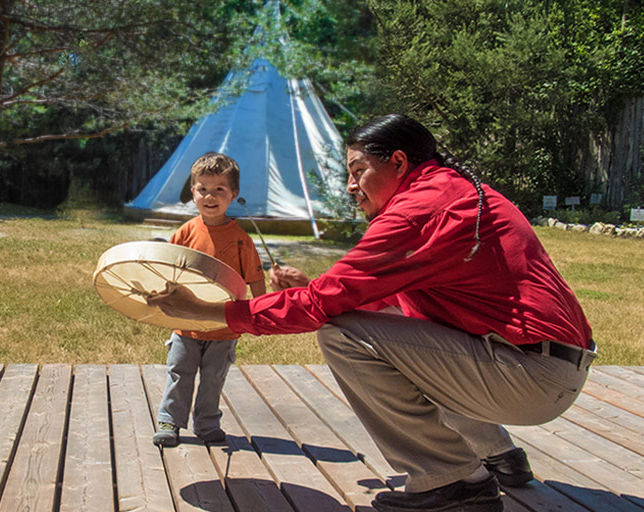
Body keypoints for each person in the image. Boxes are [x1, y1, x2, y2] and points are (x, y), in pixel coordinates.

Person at [147, 114, 595, 512]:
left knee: (343, 335)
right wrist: (310, 288)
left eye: (358, 171)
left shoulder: (418, 211)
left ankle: (453, 482)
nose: (349, 185)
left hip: (531, 377)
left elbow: (326, 308)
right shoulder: (448, 192)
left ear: (398, 163)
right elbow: (377, 299)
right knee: (401, 338)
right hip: (546, 365)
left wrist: (216, 312)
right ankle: (498, 455)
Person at [151, 152, 266, 447]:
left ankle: (207, 423)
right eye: (202, 188)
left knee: (214, 376)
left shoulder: (241, 238)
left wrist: (259, 311)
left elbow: (254, 277)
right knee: (180, 372)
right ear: (193, 192)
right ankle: (169, 421)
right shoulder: (185, 233)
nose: (209, 196)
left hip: (224, 324)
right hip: (185, 323)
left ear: (234, 195)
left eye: (219, 190)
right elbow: (167, 270)